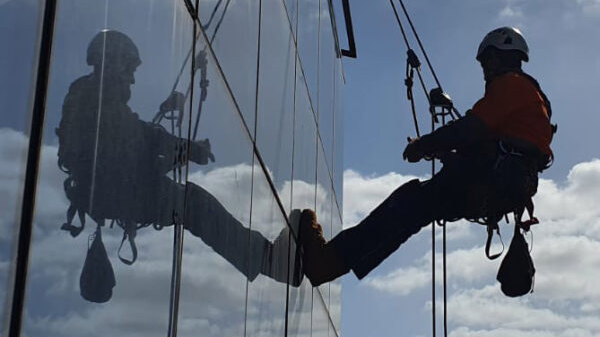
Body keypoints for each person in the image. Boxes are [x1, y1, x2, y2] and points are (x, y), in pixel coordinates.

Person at [300, 27, 555, 286]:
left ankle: (328, 261)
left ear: (499, 57)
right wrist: (441, 151)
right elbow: (483, 143)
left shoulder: (511, 85)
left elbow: (469, 129)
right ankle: (330, 263)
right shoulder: (529, 99)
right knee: (409, 212)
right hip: (496, 187)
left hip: (489, 183)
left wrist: (423, 145)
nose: (485, 70)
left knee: (406, 207)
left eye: (487, 62)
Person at [57, 30, 299, 302]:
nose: (133, 79)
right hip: (111, 191)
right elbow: (139, 140)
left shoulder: (91, 97)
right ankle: (269, 261)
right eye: (129, 70)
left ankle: (269, 260)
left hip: (108, 189)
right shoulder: (94, 98)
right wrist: (187, 149)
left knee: (191, 202)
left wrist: (179, 148)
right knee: (193, 204)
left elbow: (132, 144)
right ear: (113, 63)